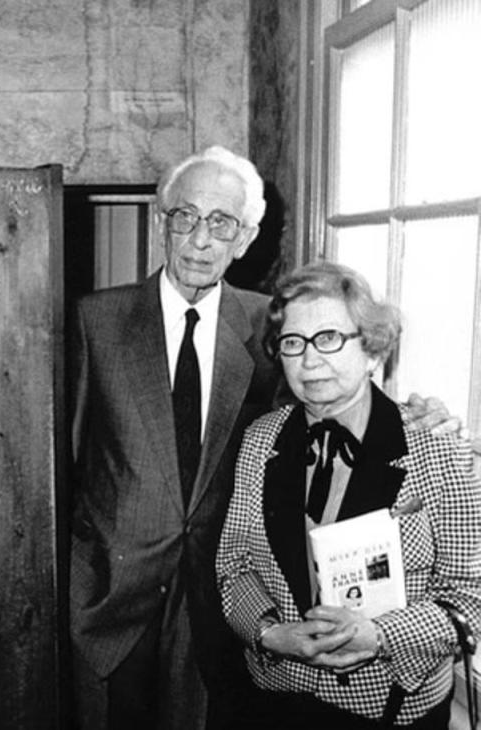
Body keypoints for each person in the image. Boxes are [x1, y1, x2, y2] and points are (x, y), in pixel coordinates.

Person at [68, 146, 457, 730]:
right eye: (185, 216)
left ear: (245, 238)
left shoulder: (270, 325)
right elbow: (64, 462)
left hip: (220, 608)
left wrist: (427, 412)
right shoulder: (93, 319)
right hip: (112, 593)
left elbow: (331, 394)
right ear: (162, 222)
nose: (200, 239)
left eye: (221, 222)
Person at [215, 261, 481, 729]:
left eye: (330, 338)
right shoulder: (261, 440)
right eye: (293, 343)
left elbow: (471, 600)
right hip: (275, 700)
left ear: (373, 351)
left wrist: (379, 636)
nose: (310, 360)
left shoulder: (440, 452)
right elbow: (234, 563)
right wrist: (271, 633)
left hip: (390, 709)